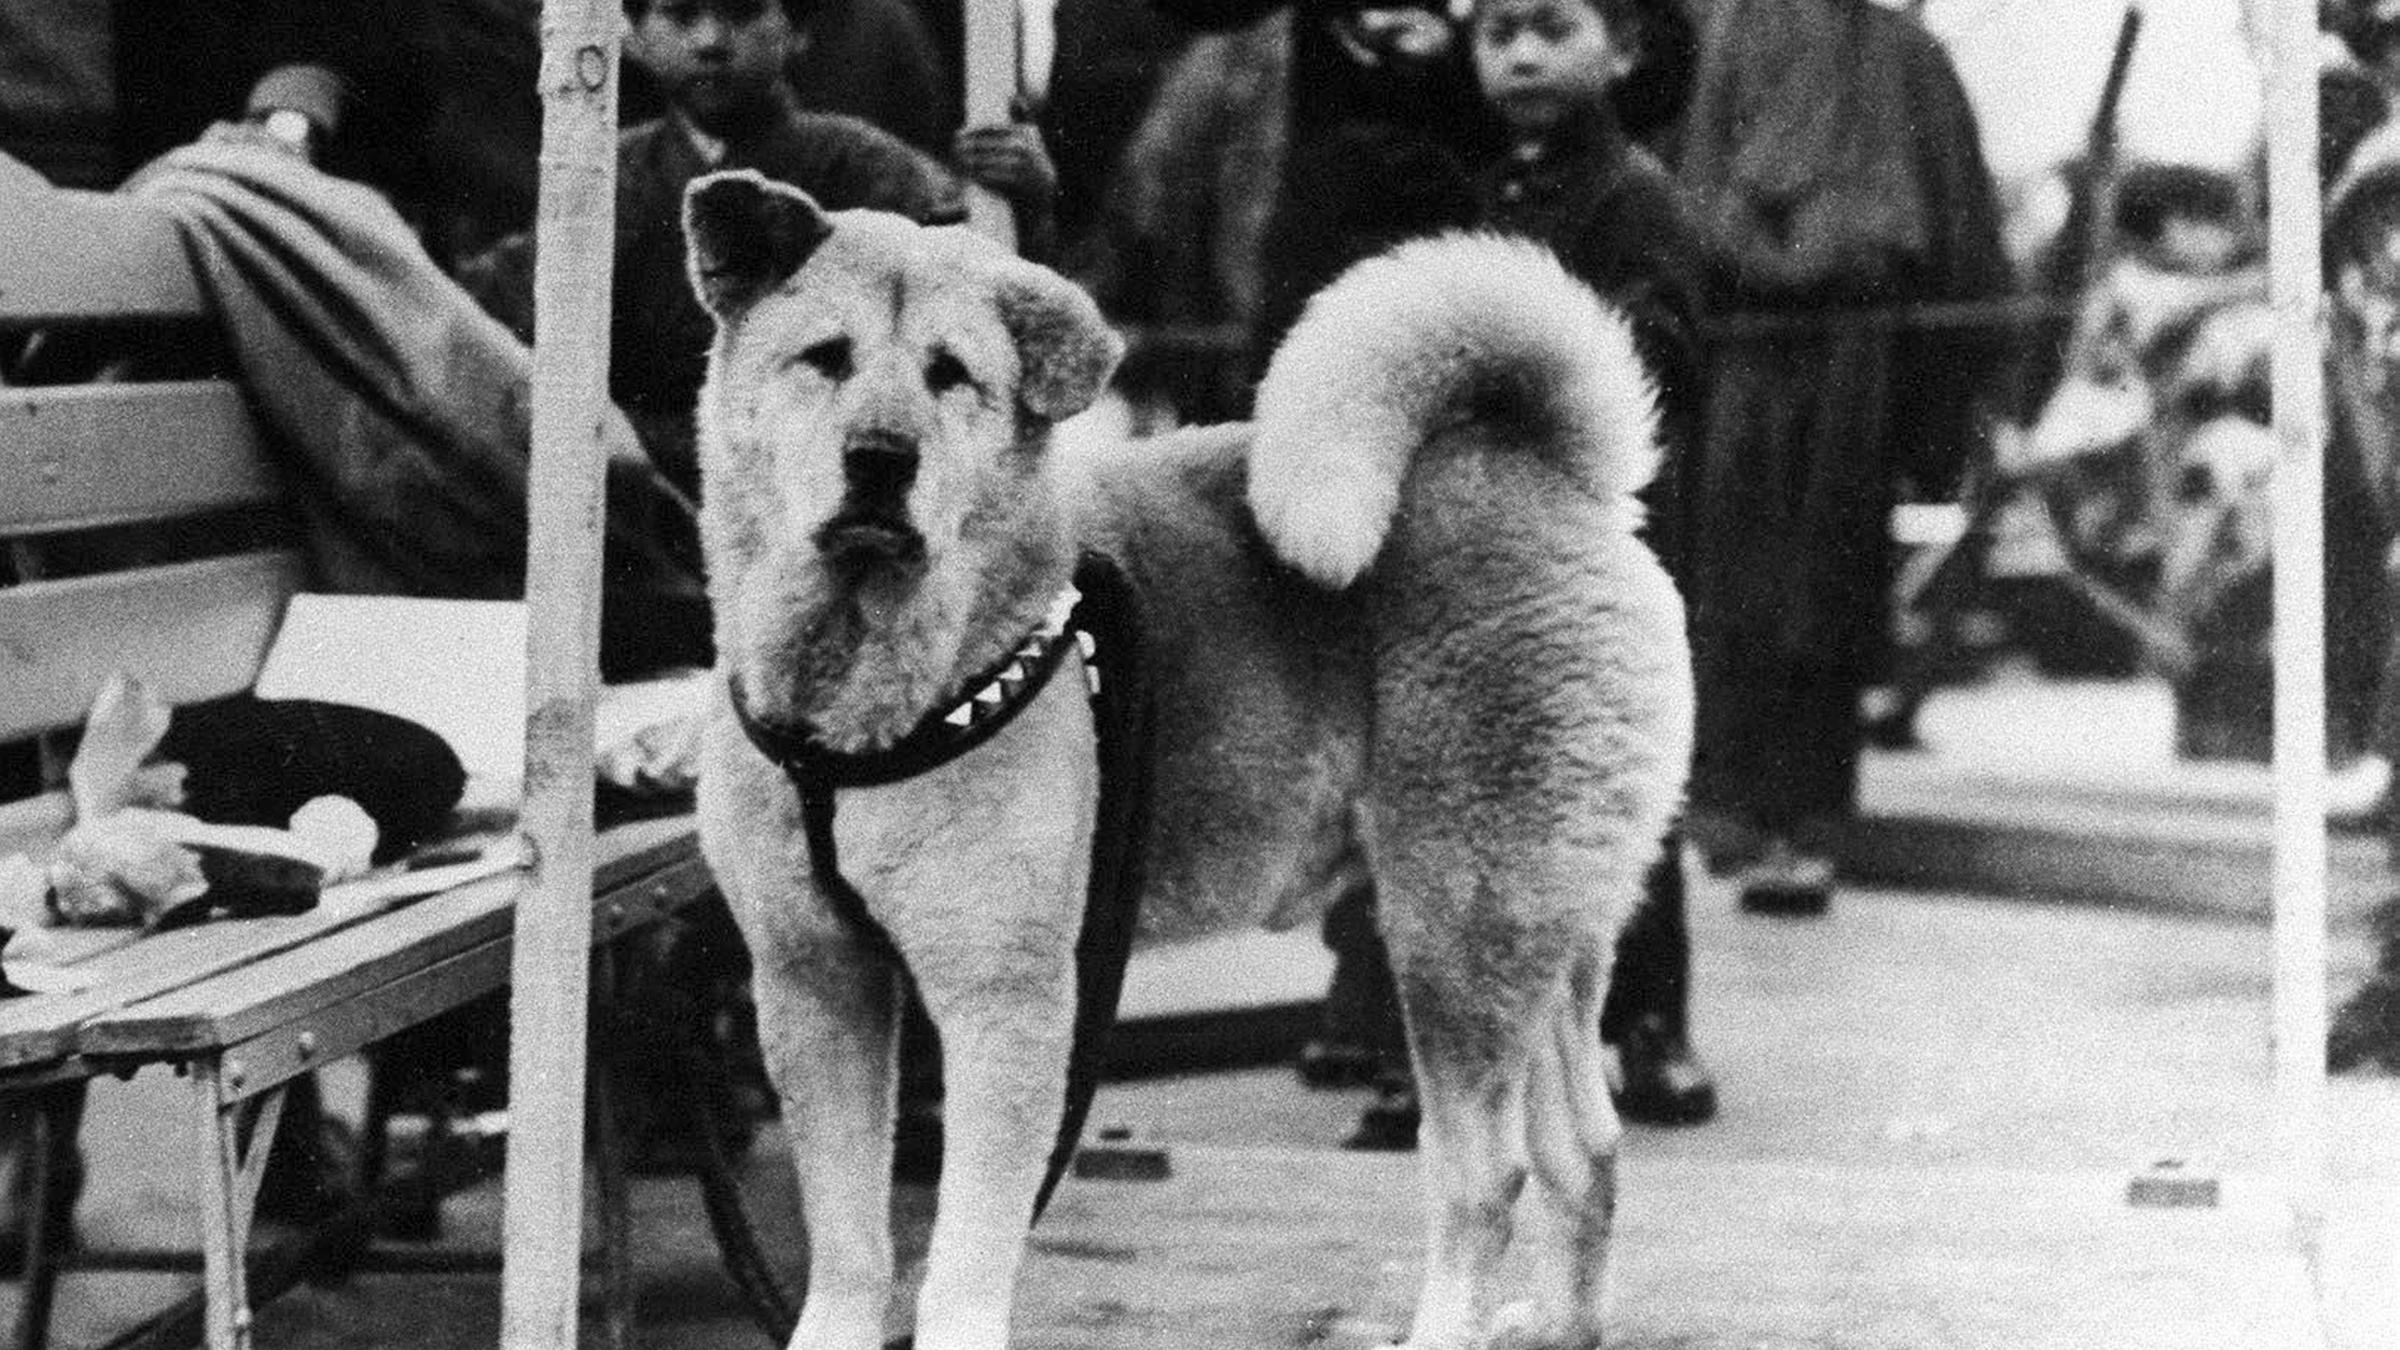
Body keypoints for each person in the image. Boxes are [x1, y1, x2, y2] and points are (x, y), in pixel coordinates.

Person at [1673, 0, 2013, 915]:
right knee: (1733, 573)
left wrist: (1940, 403)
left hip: (1856, 351)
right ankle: (1734, 810)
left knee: (1825, 580)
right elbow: (1695, 201)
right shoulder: (1730, 39)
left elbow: (1961, 241)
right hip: (1743, 347)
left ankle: (1807, 821)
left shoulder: (1905, 57)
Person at [459, 0, 1058, 501]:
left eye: (742, 12)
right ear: (633, 34)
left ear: (797, 31)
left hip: (823, 480)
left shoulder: (859, 162)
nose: (711, 41)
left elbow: (980, 280)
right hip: (637, 485)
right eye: (681, 15)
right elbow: (496, 304)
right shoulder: (610, 169)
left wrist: (1024, 206)